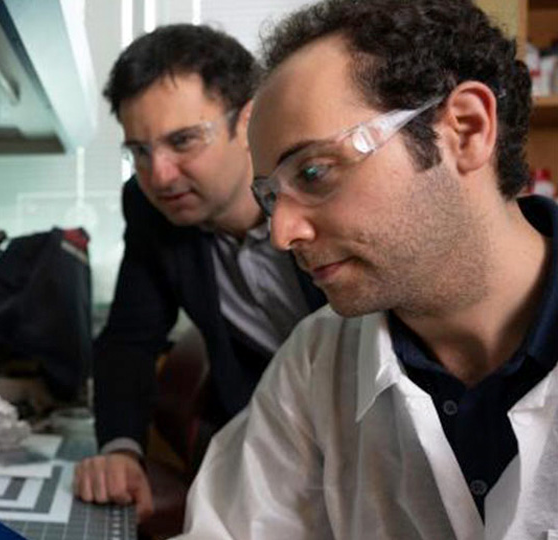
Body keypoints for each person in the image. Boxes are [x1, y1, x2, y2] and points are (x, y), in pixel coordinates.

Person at [179, 0, 557, 538]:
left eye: (314, 172)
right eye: (271, 198)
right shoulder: (318, 358)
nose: (282, 234)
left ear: (466, 130)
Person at [73, 24, 325, 521]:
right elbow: (129, 338)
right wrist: (121, 448)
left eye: (184, 140)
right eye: (140, 151)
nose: (159, 176)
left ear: (249, 121)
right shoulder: (150, 209)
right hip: (261, 445)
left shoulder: (322, 191)